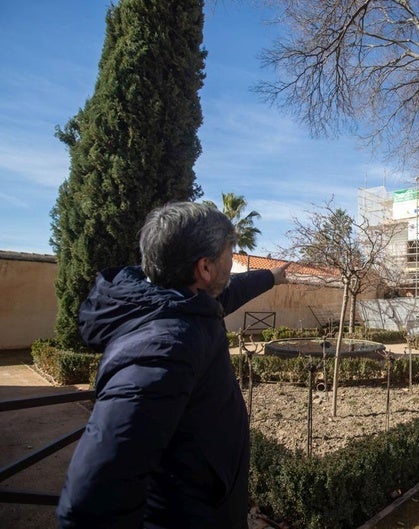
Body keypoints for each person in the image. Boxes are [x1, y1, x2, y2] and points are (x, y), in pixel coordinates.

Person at [56, 201, 289, 529]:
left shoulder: (179, 302)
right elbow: (93, 498)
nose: (232, 263)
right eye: (229, 255)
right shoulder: (166, 346)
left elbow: (230, 291)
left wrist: (271, 277)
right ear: (205, 268)